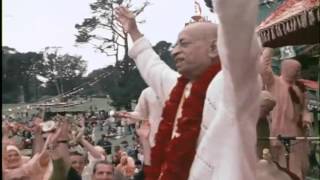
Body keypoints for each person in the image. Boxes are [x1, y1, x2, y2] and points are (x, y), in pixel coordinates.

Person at [115, 0, 261, 179]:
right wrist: (134, 31)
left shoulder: (232, 82)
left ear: (215, 48)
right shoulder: (180, 87)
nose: (174, 51)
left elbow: (240, 40)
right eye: (175, 45)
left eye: (183, 44)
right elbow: (153, 67)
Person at [260, 48, 313, 179]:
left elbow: (305, 109)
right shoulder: (275, 82)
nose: (297, 72)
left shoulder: (300, 88)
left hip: (297, 133)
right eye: (295, 69)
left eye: (298, 70)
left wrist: (307, 118)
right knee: (281, 165)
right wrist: (269, 50)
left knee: (297, 166)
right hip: (278, 131)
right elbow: (264, 69)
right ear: (286, 69)